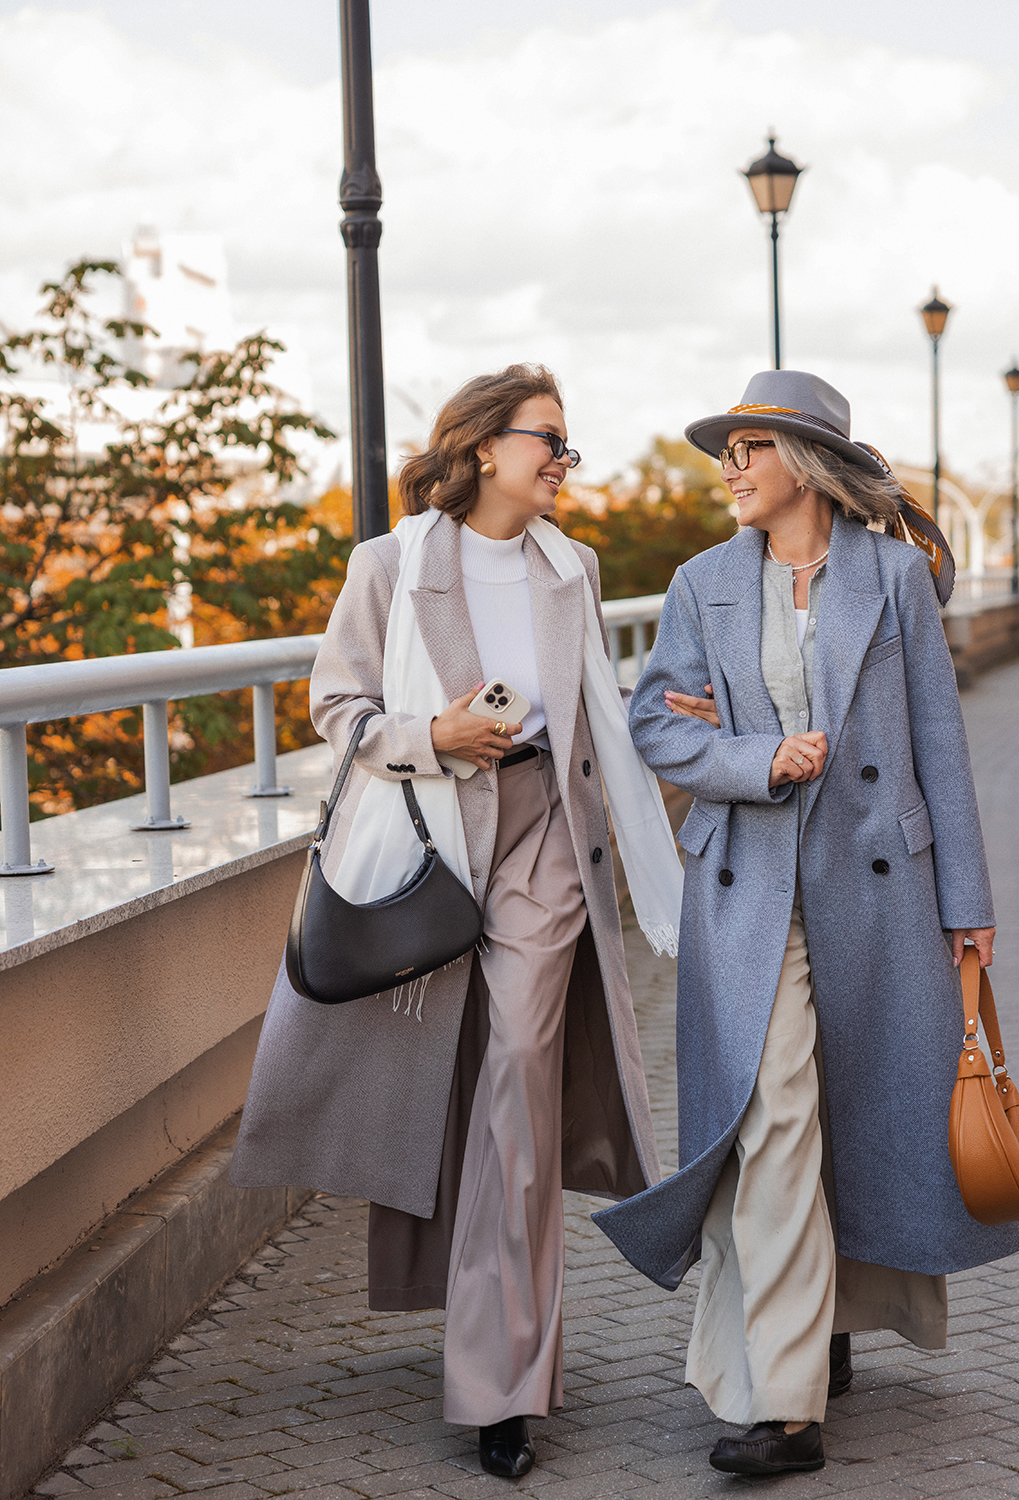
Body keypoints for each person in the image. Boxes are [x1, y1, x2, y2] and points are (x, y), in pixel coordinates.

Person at [232, 364, 682, 1479]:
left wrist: (679, 716)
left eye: (568, 444)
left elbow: (596, 711)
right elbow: (336, 706)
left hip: (543, 836)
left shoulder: (570, 568)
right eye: (549, 440)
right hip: (430, 838)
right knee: (451, 1083)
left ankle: (502, 1387)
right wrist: (433, 737)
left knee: (519, 1083)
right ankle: (474, 1314)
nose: (565, 460)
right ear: (485, 448)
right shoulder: (390, 566)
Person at [594, 370, 1019, 1477]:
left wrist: (968, 903)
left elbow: (939, 742)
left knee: (861, 1107)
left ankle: (827, 1318)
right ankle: (783, 1402)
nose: (729, 469)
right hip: (750, 888)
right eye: (726, 452)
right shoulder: (702, 583)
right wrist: (754, 757)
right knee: (773, 1117)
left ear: (809, 463)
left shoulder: (894, 575)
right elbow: (656, 724)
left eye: (749, 449)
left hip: (879, 885)